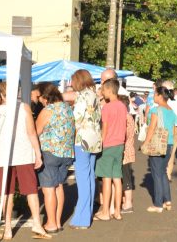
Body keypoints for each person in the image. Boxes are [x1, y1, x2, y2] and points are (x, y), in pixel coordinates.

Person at [0, 82, 50, 240]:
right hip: (23, 152)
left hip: (4, 154)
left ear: (2, 95)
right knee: (31, 189)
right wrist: (38, 154)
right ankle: (37, 224)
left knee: (6, 191)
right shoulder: (24, 107)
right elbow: (31, 132)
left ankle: (8, 227)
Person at [35, 83, 75, 233]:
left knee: (48, 188)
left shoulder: (48, 110)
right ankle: (57, 222)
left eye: (40, 97)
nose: (39, 100)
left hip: (50, 152)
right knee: (59, 186)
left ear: (46, 97)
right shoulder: (68, 108)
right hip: (66, 152)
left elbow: (35, 132)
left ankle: (51, 223)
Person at [68, 69, 102, 229]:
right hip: (94, 139)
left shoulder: (81, 96)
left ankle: (81, 218)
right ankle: (86, 215)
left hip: (82, 140)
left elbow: (75, 119)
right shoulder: (94, 95)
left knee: (82, 179)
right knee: (89, 177)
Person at [94, 79, 127, 221]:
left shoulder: (107, 107)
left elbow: (105, 128)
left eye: (103, 89)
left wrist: (100, 142)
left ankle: (105, 212)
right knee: (117, 178)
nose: (102, 92)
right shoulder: (122, 106)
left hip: (108, 145)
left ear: (108, 90)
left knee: (106, 179)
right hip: (120, 144)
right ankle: (117, 211)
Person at [142, 86, 177, 213]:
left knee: (156, 174)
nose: (153, 97)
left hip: (158, 144)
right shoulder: (171, 111)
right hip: (169, 143)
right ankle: (167, 200)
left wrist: (145, 143)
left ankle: (158, 204)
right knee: (163, 172)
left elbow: (151, 128)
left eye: (155, 95)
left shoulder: (155, 110)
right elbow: (174, 129)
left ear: (159, 96)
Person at [119, 95, 136, 214]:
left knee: (125, 178)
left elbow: (123, 135)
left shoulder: (125, 118)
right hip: (128, 150)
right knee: (126, 176)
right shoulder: (129, 116)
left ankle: (128, 203)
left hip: (125, 151)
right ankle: (126, 201)